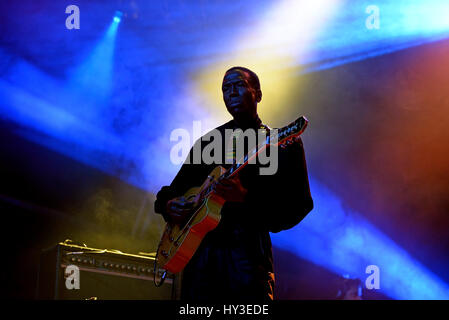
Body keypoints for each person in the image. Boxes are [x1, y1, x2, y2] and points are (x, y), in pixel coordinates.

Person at [154, 66, 313, 301]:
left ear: (257, 94)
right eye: (225, 88)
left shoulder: (284, 144)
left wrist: (246, 200)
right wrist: (169, 205)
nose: (231, 92)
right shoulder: (208, 142)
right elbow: (172, 190)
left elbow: (299, 205)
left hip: (248, 261)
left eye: (238, 85)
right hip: (200, 261)